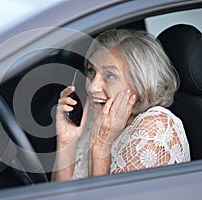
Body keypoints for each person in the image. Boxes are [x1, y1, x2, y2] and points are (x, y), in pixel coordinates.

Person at [51, 28, 190, 181]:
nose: (92, 87)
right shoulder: (95, 117)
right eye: (91, 71)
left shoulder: (155, 127)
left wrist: (101, 145)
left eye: (110, 75)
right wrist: (66, 143)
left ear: (140, 84)